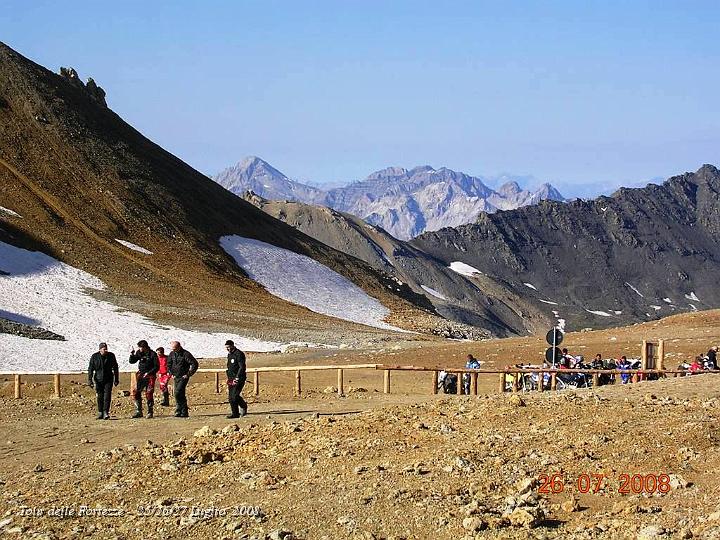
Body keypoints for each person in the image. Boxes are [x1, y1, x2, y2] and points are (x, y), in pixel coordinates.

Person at [129, 340, 160, 418]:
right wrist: (132, 354)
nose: (139, 349)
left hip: (150, 376)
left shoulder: (152, 354)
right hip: (141, 375)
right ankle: (138, 411)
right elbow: (132, 361)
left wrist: (149, 373)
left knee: (149, 393)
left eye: (141, 347)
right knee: (137, 392)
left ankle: (150, 412)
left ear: (145, 347)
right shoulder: (139, 353)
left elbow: (157, 366)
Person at [88, 342, 119, 420]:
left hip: (108, 379)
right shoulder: (94, 357)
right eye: (104, 349)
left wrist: (116, 379)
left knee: (107, 396)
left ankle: (106, 412)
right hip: (98, 379)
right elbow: (90, 369)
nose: (105, 350)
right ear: (100, 349)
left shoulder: (111, 356)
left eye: (106, 349)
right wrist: (90, 380)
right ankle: (100, 412)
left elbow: (115, 367)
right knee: (100, 396)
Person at [167, 341, 198, 418]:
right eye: (172, 349)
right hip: (175, 376)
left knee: (178, 392)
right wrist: (171, 373)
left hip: (183, 377)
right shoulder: (172, 354)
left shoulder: (185, 354)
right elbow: (169, 364)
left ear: (179, 347)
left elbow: (194, 363)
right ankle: (182, 411)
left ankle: (182, 410)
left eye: (175, 349)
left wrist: (188, 374)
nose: (173, 350)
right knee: (179, 393)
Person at [225, 340, 248, 418]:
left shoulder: (239, 354)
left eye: (228, 347)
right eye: (226, 347)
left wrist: (237, 377)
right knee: (231, 397)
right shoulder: (230, 355)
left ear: (232, 345)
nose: (228, 349)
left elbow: (242, 367)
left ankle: (243, 405)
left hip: (239, 378)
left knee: (235, 395)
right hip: (230, 378)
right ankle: (235, 414)